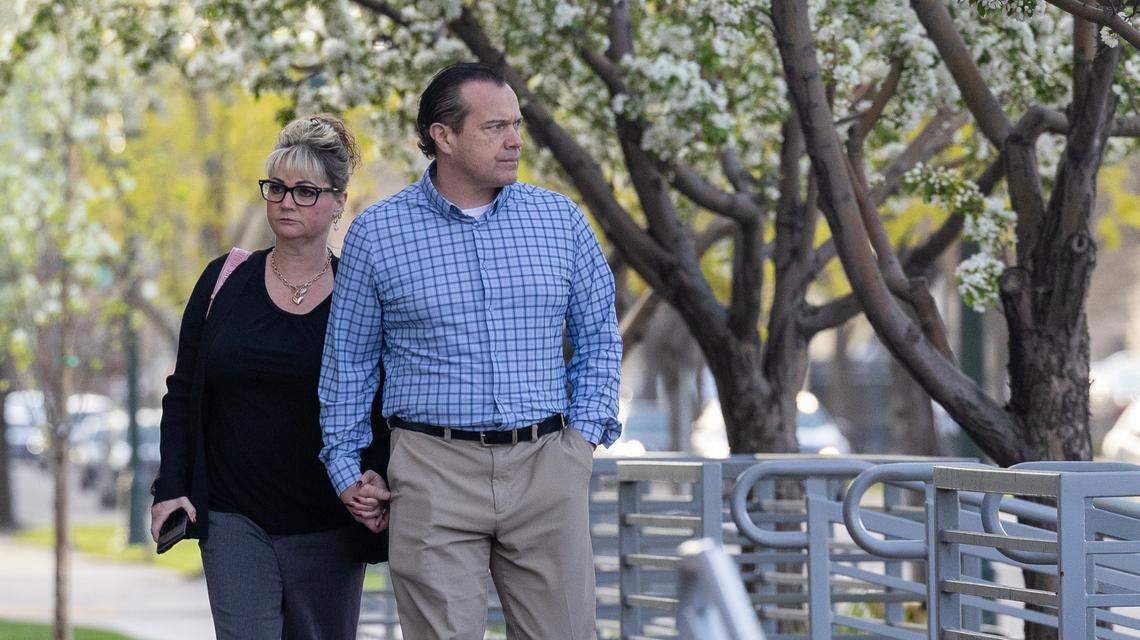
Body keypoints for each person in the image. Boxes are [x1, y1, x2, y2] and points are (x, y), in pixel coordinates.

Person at [319, 62, 622, 639]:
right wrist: (346, 469)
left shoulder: (561, 221)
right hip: (431, 472)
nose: (514, 141)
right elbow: (348, 365)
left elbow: (600, 339)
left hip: (546, 465)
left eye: (517, 125)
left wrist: (579, 443)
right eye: (495, 127)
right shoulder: (377, 233)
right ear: (444, 135)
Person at [151, 114, 387, 640]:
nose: (286, 202)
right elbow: (184, 391)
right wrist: (170, 486)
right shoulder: (224, 280)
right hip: (234, 516)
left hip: (329, 519)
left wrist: (377, 473)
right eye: (277, 188)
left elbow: (384, 402)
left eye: (305, 192)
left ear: (338, 202)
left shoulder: (360, 294)